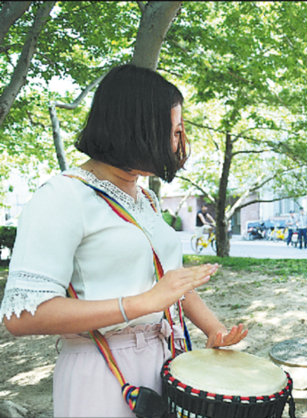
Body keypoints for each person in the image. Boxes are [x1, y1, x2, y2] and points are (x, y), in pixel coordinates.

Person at [0, 64, 248, 417]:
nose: (180, 143)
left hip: (162, 360)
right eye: (174, 131)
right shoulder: (62, 196)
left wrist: (215, 330)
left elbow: (169, 286)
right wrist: (144, 302)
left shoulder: (145, 198)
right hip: (100, 368)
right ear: (138, 128)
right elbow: (23, 316)